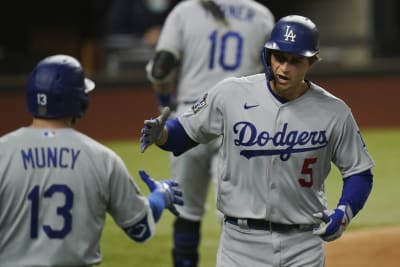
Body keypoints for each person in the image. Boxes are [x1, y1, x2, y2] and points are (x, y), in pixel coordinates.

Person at [141, 15, 375, 267]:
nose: (285, 68)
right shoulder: (231, 93)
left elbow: (359, 171)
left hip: (304, 246)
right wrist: (162, 134)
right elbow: (185, 133)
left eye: (295, 61)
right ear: (268, 55)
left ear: (312, 61)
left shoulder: (334, 111)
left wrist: (344, 212)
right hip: (240, 246)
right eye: (280, 58)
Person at [0, 54, 183, 267]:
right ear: (79, 100)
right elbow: (139, 228)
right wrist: (161, 195)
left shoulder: (3, 152)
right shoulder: (101, 159)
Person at [145, 0, 275, 266]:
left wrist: (164, 102)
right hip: (241, 120)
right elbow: (274, 73)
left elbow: (161, 68)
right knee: (241, 213)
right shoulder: (260, 14)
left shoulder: (185, 11)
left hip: (189, 116)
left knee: (186, 212)